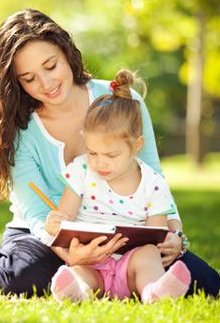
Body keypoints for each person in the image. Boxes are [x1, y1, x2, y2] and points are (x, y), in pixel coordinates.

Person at [0, 8, 220, 297]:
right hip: (48, 237)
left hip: (126, 232)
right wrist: (72, 256)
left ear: (66, 52)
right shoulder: (19, 128)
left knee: (203, 282)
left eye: (50, 66)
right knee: (24, 276)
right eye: (29, 78)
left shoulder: (121, 101)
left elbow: (153, 177)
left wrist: (174, 234)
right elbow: (37, 214)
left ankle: (125, 282)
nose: (45, 84)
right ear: (16, 82)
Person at [49, 69, 191, 303]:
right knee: (80, 273)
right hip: (91, 259)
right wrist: (55, 223)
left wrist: (172, 239)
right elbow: (63, 221)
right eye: (92, 152)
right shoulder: (81, 170)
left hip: (131, 265)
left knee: (148, 255)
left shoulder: (153, 184)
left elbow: (155, 238)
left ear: (136, 145)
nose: (100, 162)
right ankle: (78, 293)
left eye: (111, 155)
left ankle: (153, 293)